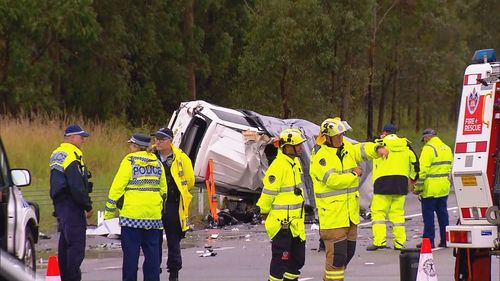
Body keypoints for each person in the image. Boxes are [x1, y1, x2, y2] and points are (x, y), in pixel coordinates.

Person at [310, 117, 388, 281]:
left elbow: (362, 149)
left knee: (348, 254)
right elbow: (332, 181)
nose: (341, 138)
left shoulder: (346, 149)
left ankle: (331, 278)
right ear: (328, 137)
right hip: (333, 217)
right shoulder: (321, 157)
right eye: (338, 135)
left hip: (349, 216)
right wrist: (354, 174)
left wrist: (378, 148)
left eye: (342, 135)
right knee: (337, 258)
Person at [104, 133, 167, 281]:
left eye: (131, 145)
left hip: (131, 218)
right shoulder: (157, 163)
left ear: (135, 146)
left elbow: (117, 189)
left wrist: (108, 213)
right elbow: (164, 191)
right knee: (152, 258)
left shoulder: (129, 161)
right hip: (153, 219)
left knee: (131, 258)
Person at [257, 128, 307, 281]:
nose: (300, 148)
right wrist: (263, 211)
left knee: (297, 261)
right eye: (297, 145)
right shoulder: (278, 166)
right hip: (282, 225)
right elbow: (268, 193)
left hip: (295, 225)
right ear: (286, 147)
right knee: (280, 262)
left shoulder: (294, 162)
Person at [49, 124, 93, 281]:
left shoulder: (57, 153)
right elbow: (76, 184)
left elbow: (56, 183)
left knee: (64, 246)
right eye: (82, 138)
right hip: (72, 205)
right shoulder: (72, 154)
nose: (83, 141)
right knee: (75, 246)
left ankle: (64, 277)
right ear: (72, 137)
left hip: (61, 205)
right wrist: (87, 205)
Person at [366, 124, 419, 251]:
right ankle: (399, 243)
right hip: (400, 182)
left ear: (384, 132)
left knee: (378, 213)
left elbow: (367, 148)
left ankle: (379, 241)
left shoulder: (379, 143)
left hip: (382, 182)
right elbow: (415, 163)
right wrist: (412, 179)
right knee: (398, 214)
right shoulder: (406, 144)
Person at [152, 127, 195, 281]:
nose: (158, 142)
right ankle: (154, 268)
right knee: (153, 239)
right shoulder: (150, 156)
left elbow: (190, 181)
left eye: (161, 139)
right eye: (156, 138)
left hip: (173, 203)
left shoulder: (181, 158)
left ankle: (174, 272)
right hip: (154, 204)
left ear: (170, 141)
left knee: (173, 239)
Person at [414, 128, 453, 248]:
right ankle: (445, 240)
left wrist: (418, 187)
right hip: (443, 187)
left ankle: (429, 241)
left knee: (429, 216)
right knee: (443, 215)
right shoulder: (447, 148)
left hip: (430, 189)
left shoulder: (428, 149)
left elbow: (423, 171)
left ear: (427, 138)